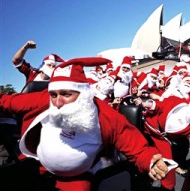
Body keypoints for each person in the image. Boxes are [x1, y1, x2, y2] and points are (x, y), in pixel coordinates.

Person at [0, 57, 174, 190]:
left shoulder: (104, 115)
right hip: (37, 166)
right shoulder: (44, 100)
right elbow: (8, 102)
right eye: (54, 95)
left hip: (78, 178)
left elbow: (136, 147)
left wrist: (150, 160)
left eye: (66, 94)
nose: (58, 102)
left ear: (82, 93)